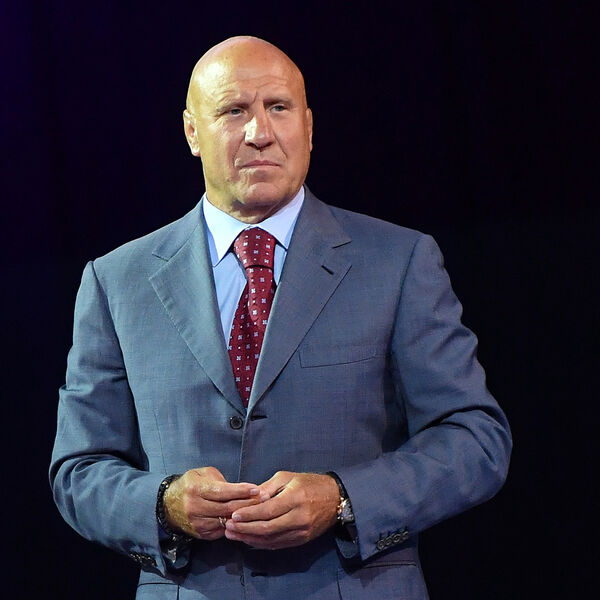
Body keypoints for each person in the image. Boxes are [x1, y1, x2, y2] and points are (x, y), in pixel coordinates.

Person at [50, 36, 511, 599]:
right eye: (233, 111)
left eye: (278, 107)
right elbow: (78, 469)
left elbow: (475, 440)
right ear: (192, 132)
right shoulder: (116, 281)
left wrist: (344, 498)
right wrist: (163, 503)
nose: (259, 132)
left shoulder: (398, 262)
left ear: (308, 127)